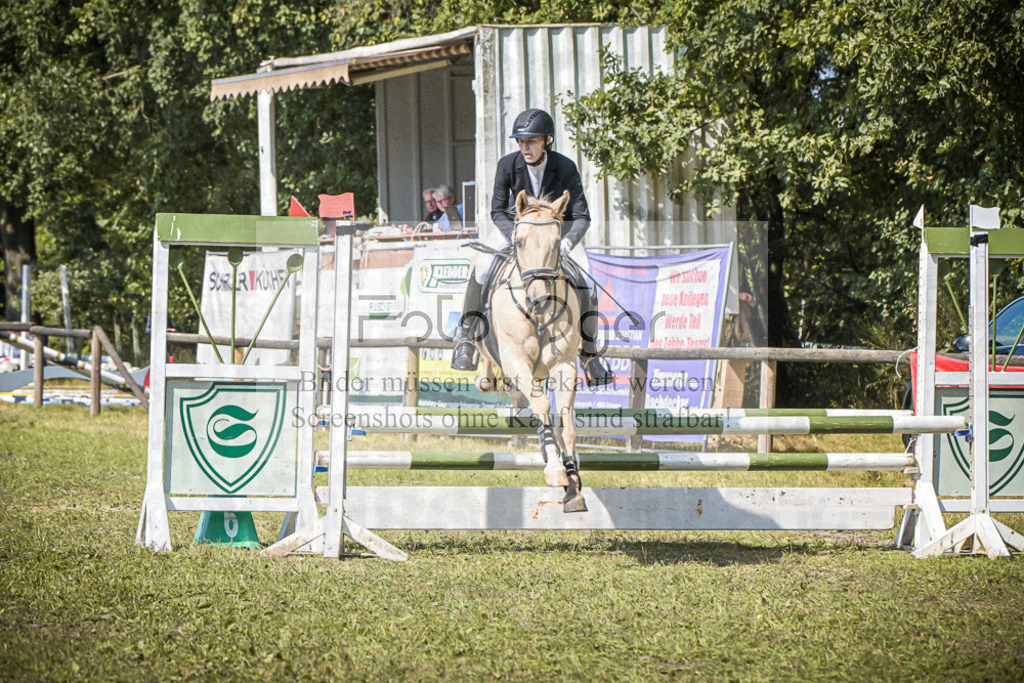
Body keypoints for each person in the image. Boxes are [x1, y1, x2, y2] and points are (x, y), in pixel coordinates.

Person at [450, 108, 613, 386]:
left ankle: (589, 351)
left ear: (547, 140)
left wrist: (568, 242)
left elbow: (582, 215)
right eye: (521, 142)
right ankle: (466, 337)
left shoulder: (565, 167)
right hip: (516, 231)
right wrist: (517, 234)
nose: (525, 147)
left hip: (556, 236)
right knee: (482, 267)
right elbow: (497, 211)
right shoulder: (506, 165)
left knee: (587, 278)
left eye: (532, 141)